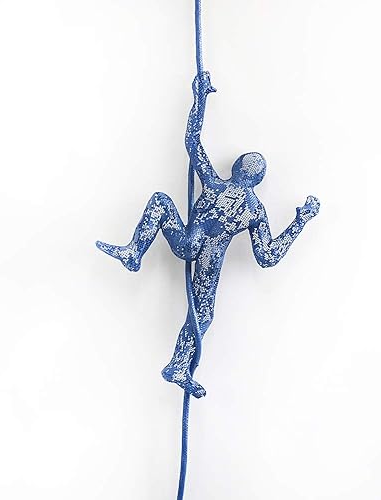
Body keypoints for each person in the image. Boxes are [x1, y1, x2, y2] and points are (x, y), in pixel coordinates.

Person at [96, 71, 320, 398]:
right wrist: (301, 220)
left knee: (160, 201)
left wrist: (199, 100)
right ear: (259, 180)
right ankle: (178, 364)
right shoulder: (253, 210)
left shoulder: (215, 183)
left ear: (236, 168)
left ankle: (135, 251)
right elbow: (268, 256)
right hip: (209, 262)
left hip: (188, 242)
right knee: (202, 314)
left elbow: (192, 142)